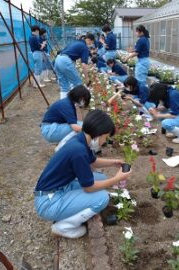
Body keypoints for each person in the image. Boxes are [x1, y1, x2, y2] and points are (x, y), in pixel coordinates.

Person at [34, 109, 131, 239]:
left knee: (101, 178)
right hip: (48, 202)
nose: (104, 141)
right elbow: (89, 187)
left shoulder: (81, 140)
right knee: (102, 198)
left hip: (57, 189)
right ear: (98, 133)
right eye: (105, 137)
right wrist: (116, 179)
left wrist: (114, 162)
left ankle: (70, 209)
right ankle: (64, 227)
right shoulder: (78, 151)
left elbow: (93, 161)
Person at [54, 33, 95, 99]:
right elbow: (84, 65)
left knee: (64, 86)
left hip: (58, 59)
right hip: (65, 61)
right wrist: (87, 78)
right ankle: (79, 102)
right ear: (90, 40)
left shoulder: (77, 42)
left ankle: (64, 103)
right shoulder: (84, 47)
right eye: (92, 42)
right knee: (78, 84)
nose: (91, 44)